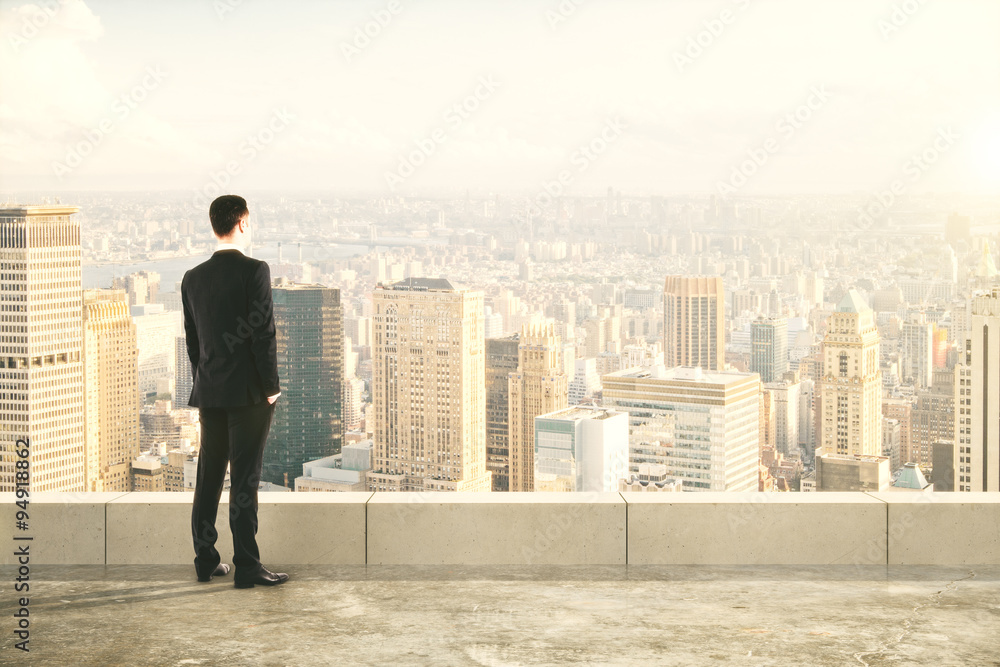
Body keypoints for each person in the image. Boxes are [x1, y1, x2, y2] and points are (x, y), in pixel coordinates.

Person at [182, 194, 289, 588]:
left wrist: (204, 380)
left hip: (209, 391)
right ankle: (246, 565)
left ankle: (205, 560)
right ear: (242, 222)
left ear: (215, 225)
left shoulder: (192, 278)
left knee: (208, 477)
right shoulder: (255, 271)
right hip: (249, 395)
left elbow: (193, 344)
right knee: (244, 480)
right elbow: (263, 333)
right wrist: (271, 387)